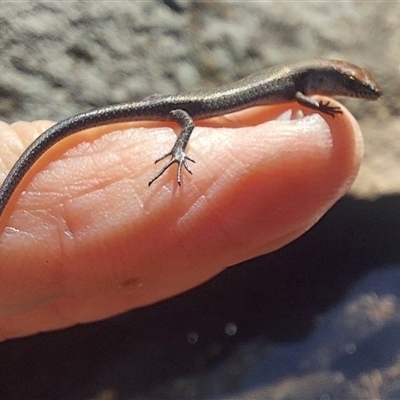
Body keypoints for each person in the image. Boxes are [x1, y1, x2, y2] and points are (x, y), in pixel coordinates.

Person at [0, 99, 362, 341]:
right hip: (184, 111)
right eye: (356, 90)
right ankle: (177, 150)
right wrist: (179, 151)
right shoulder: (302, 93)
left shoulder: (299, 87)